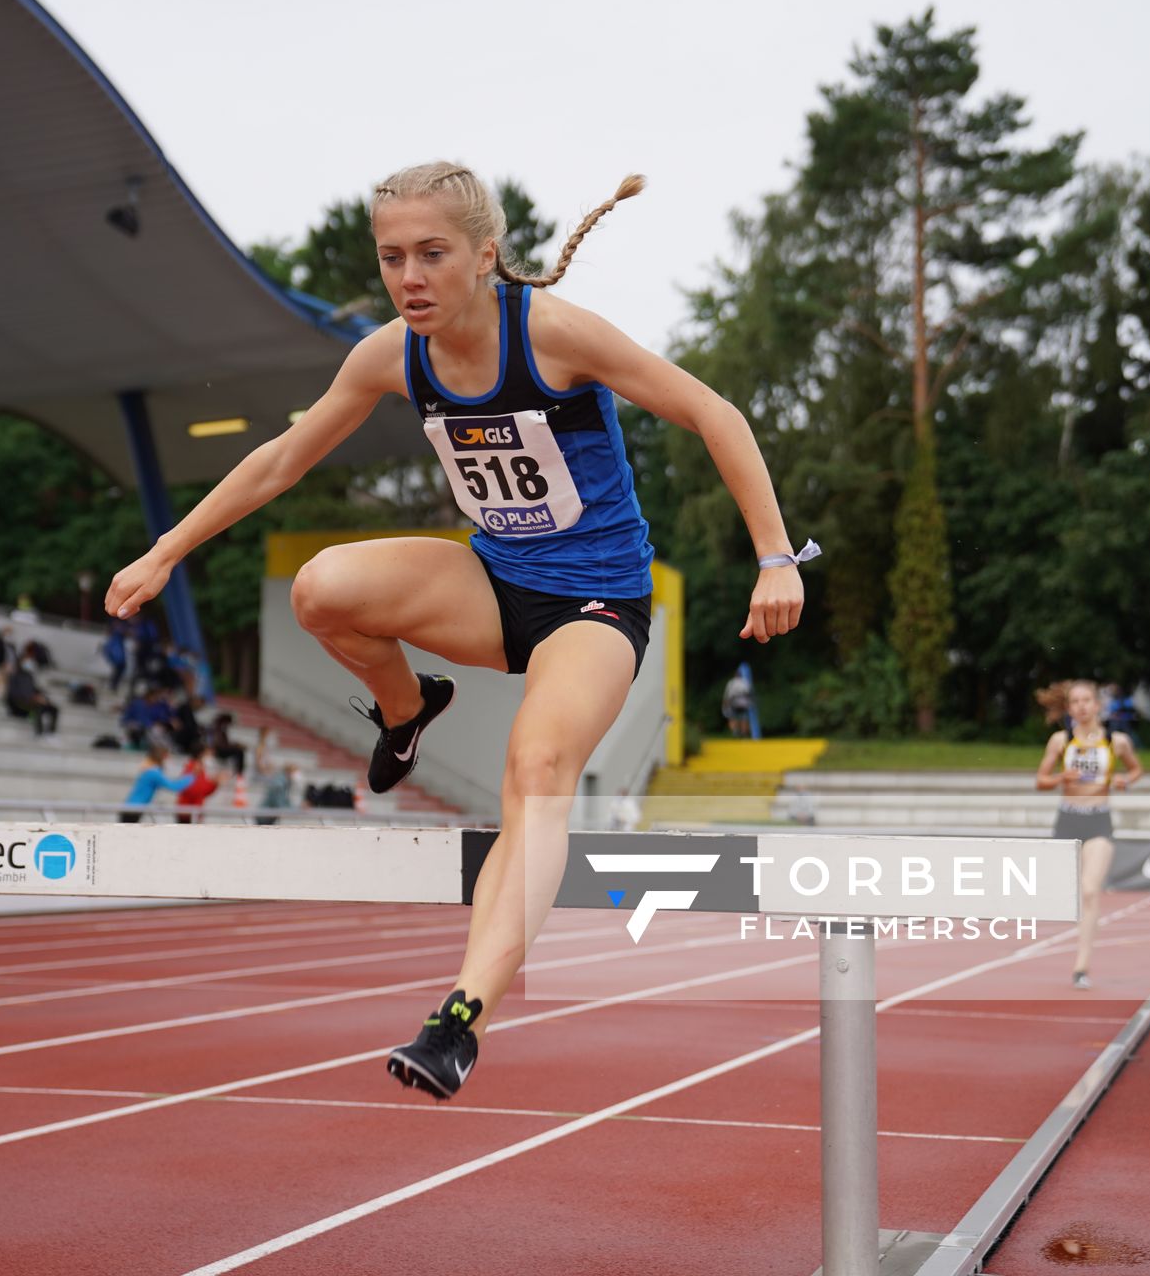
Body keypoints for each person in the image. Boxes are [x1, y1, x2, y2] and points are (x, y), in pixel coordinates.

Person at [105, 162, 807, 1101]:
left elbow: (711, 411)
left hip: (592, 605)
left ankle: (460, 1017)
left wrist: (774, 556)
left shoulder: (552, 334)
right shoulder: (389, 354)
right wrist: (165, 552)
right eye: (393, 257)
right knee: (320, 590)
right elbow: (281, 462)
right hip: (491, 584)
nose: (410, 278)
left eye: (432, 254)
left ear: (486, 255)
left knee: (536, 770)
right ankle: (408, 706)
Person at [1035, 679, 1144, 990]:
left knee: (1090, 891)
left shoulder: (1116, 741)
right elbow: (1040, 780)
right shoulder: (1060, 740)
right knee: (1066, 894)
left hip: (1098, 821)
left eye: (1087, 700)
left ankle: (1081, 966)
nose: (1081, 707)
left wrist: (1126, 780)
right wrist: (1060, 777)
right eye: (1075, 702)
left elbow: (1136, 770)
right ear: (1069, 709)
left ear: (1098, 705)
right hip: (1068, 820)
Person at [119, 743, 190, 823]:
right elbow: (173, 787)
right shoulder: (154, 773)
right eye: (167, 757)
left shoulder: (151, 771)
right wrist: (192, 777)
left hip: (133, 808)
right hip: (133, 810)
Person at [5, 658, 59, 737]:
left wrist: (43, 698)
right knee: (38, 708)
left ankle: (51, 732)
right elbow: (13, 693)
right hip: (19, 703)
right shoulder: (14, 676)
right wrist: (31, 698)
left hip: (32, 701)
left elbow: (35, 689)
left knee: (53, 708)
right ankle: (39, 733)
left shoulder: (29, 677)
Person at [174, 746, 219, 825]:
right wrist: (213, 783)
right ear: (201, 754)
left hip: (194, 812)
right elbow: (193, 790)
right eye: (207, 753)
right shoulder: (191, 767)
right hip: (187, 813)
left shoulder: (200, 769)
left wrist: (215, 784)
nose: (211, 755)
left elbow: (203, 792)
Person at [1103, 683, 1140, 750]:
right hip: (1117, 720)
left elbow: (1131, 710)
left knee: (1128, 734)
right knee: (1112, 733)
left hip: (1125, 720)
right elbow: (1112, 711)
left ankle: (1133, 746)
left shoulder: (1126, 700)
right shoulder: (1116, 700)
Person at [722, 665, 754, 738]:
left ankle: (735, 730)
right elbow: (749, 693)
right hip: (744, 703)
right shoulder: (745, 682)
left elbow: (728, 694)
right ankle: (744, 732)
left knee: (732, 717)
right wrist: (751, 702)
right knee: (744, 718)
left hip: (734, 703)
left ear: (735, 675)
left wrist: (725, 703)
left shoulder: (731, 683)